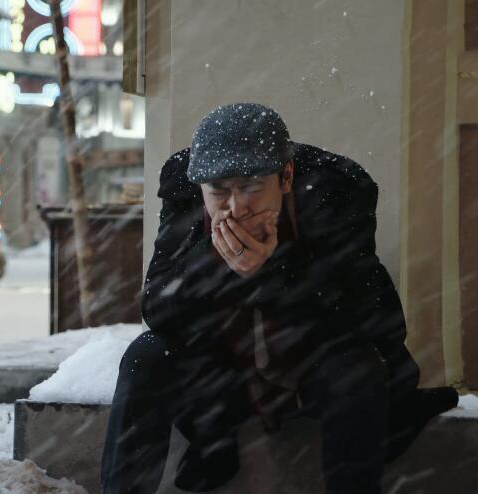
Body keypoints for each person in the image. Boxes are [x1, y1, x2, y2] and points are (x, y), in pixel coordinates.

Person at [101, 103, 459, 494]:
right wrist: (213, 265)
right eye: (219, 191)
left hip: (310, 355)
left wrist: (272, 272)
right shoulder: (185, 194)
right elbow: (157, 306)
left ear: (285, 176)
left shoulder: (334, 191)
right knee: (146, 356)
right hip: (222, 371)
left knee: (357, 369)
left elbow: (362, 312)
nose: (236, 207)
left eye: (251, 187)